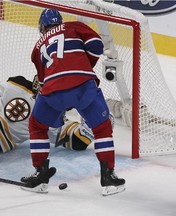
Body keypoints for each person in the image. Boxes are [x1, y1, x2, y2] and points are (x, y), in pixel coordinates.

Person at [21, 8, 125, 195]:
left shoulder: (37, 47)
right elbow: (96, 45)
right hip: (83, 85)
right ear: (60, 22)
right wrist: (83, 64)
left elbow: (43, 80)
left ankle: (40, 175)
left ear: (42, 26)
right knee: (102, 128)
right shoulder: (74, 26)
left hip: (52, 91)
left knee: (37, 126)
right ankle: (109, 178)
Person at [0, 75, 100, 153]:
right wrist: (94, 123)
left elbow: (78, 142)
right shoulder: (50, 117)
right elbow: (78, 142)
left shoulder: (16, 84)